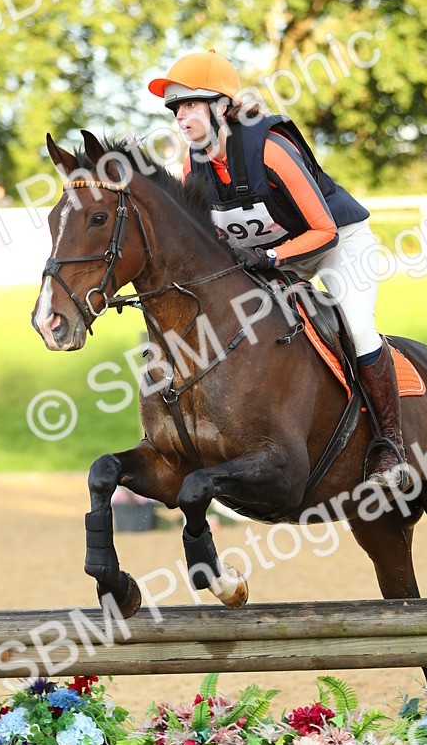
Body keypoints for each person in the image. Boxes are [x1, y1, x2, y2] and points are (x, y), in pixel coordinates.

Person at [148, 49, 410, 490]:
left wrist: (269, 259)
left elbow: (324, 229)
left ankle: (391, 447)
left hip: (338, 246)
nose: (180, 115)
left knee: (358, 326)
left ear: (221, 107)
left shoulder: (269, 147)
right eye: (176, 107)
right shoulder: (195, 165)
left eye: (191, 103)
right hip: (275, 261)